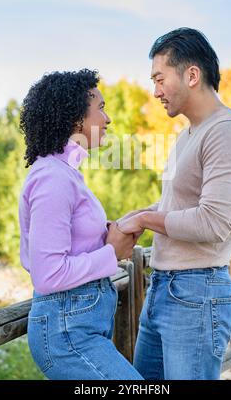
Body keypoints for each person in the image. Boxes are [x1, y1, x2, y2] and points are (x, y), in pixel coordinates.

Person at [118, 28, 231, 380]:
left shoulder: (227, 131)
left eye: (159, 78)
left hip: (197, 295)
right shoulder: (188, 134)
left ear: (192, 75)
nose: (155, 91)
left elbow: (213, 222)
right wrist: (138, 215)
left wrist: (148, 220)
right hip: (164, 288)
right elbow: (178, 204)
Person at [19, 69, 143, 380]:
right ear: (77, 120)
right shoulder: (53, 177)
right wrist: (111, 253)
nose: (108, 119)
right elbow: (47, 275)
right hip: (65, 335)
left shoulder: (66, 173)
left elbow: (72, 246)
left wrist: (109, 236)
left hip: (78, 326)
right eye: (100, 108)